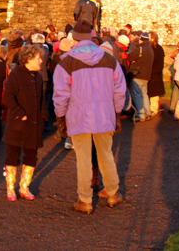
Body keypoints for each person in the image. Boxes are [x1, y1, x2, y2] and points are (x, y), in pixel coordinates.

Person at [53, 20, 126, 214]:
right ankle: (112, 193)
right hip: (104, 114)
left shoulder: (66, 62)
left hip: (79, 115)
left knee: (83, 158)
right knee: (106, 154)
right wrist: (117, 113)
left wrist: (61, 118)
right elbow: (120, 90)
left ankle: (85, 200)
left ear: (74, 38)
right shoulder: (109, 59)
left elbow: (61, 95)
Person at [2, 44, 46, 202]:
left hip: (34, 125)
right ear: (28, 59)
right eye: (38, 58)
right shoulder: (16, 75)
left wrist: (43, 117)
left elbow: (41, 101)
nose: (41, 61)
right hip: (17, 124)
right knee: (12, 157)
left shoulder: (39, 77)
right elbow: (8, 98)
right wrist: (20, 114)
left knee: (31, 157)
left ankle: (24, 187)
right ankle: (10, 188)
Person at [127, 32, 154, 122]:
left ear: (141, 39)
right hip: (147, 76)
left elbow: (130, 57)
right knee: (144, 94)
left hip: (138, 75)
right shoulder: (150, 49)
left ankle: (140, 114)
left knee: (137, 95)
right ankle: (148, 112)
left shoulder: (140, 49)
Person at [147, 32, 165, 116]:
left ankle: (154, 109)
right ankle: (150, 108)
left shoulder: (158, 48)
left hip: (155, 73)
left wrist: (154, 71)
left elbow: (160, 63)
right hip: (150, 72)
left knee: (154, 93)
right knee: (149, 92)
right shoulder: (150, 48)